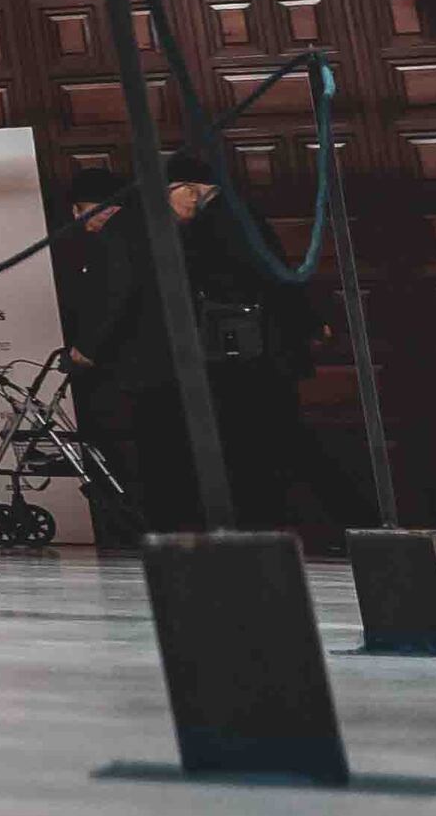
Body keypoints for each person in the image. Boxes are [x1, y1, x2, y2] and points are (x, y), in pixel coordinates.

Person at [66, 151, 368, 540]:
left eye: (202, 195)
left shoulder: (146, 227)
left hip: (201, 369)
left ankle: (198, 543)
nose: (193, 202)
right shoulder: (222, 219)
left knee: (202, 458)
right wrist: (306, 322)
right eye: (188, 193)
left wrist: (87, 349)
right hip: (217, 366)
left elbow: (118, 293)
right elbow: (274, 274)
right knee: (257, 454)